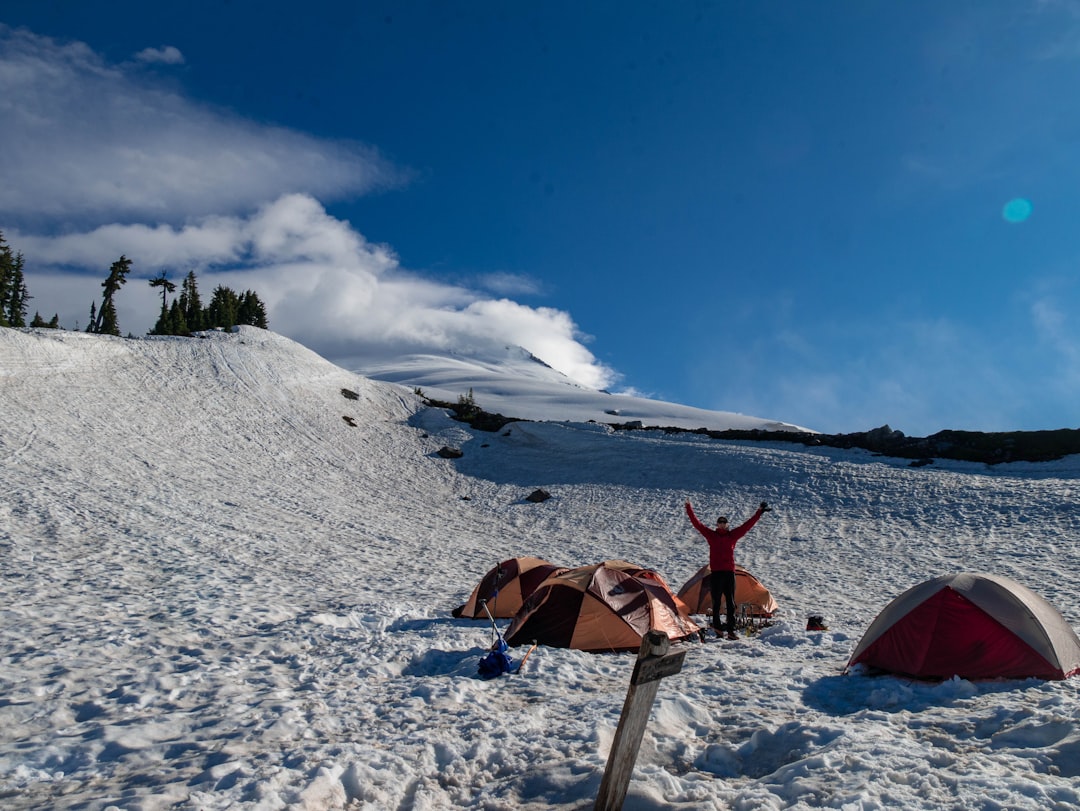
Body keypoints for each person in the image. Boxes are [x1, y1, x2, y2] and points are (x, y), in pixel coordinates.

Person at [685, 499, 771, 639]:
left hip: (729, 573)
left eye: (724, 522)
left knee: (731, 603)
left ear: (727, 524)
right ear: (717, 524)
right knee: (716, 602)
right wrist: (689, 508)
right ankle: (718, 627)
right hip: (716, 574)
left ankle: (731, 630)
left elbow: (747, 526)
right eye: (720, 522)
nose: (722, 524)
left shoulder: (732, 536)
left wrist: (759, 512)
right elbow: (697, 524)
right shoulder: (711, 535)